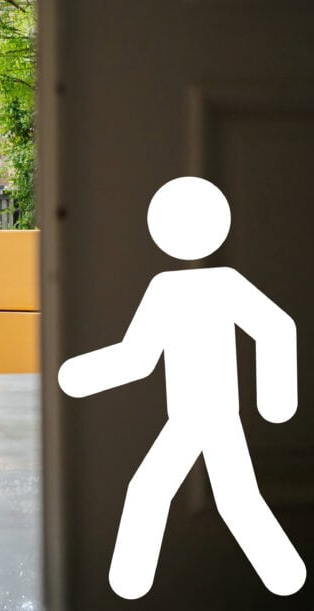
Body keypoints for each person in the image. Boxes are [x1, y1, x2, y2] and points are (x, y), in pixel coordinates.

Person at [58, 176, 306, 599]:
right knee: (219, 497)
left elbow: (276, 328)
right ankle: (283, 576)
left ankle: (282, 576)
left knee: (170, 492)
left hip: (210, 417)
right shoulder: (175, 288)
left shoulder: (210, 284)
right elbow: (139, 357)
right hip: (192, 418)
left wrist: (277, 400)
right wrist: (80, 376)